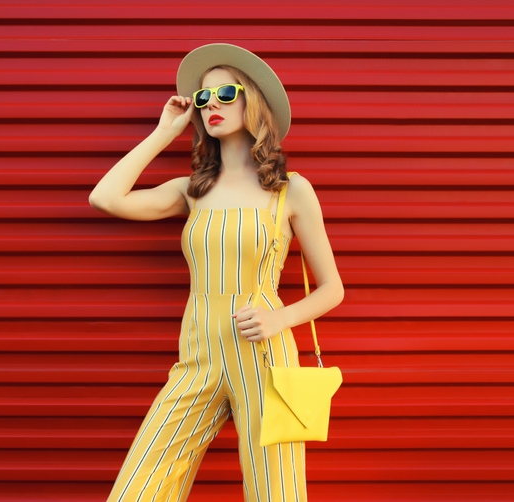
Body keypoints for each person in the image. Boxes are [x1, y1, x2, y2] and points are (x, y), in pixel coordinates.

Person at [88, 43, 343, 502]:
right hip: (197, 359)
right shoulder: (190, 190)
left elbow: (333, 288)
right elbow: (105, 198)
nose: (211, 106)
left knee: (276, 494)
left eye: (225, 94)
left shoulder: (292, 189)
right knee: (137, 491)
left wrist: (280, 319)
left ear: (254, 100)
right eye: (203, 99)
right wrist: (164, 132)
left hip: (265, 358)